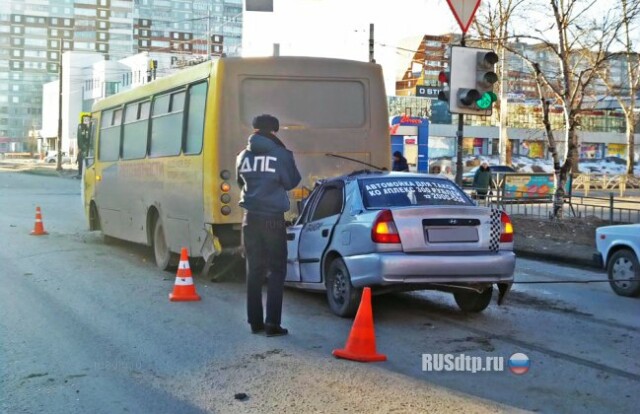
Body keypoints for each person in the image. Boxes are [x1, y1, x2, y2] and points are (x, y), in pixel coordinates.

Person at [237, 114, 301, 337]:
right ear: (273, 131)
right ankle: (272, 323)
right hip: (273, 219)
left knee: (254, 270)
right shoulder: (280, 154)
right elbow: (292, 181)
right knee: (276, 270)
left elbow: (240, 182)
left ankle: (255, 322)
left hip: (250, 218)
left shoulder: (242, 156)